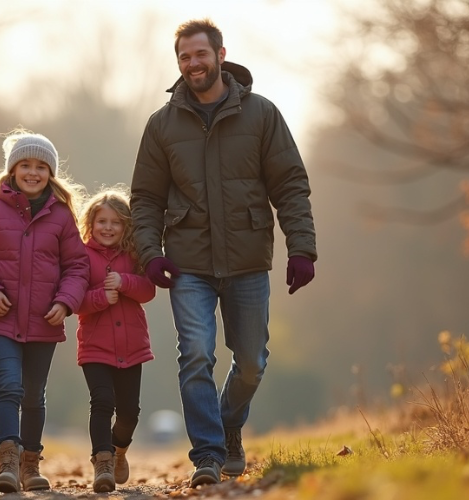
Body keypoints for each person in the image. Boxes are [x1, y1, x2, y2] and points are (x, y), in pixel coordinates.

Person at [130, 19, 317, 488]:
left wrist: (303, 249)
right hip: (187, 261)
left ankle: (228, 422)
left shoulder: (261, 114)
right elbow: (146, 199)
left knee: (252, 360)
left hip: (248, 258)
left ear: (220, 54)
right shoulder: (162, 124)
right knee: (195, 354)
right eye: (184, 58)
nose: (193, 64)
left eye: (200, 54)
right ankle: (208, 455)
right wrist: (150, 254)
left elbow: (290, 184)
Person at [0, 129, 90, 493]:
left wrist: (65, 302)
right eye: (25, 165)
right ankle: (8, 462)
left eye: (41, 166)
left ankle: (31, 464)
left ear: (51, 173)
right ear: (12, 170)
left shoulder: (62, 217)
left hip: (44, 320)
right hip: (1, 319)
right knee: (9, 388)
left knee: (34, 393)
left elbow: (78, 266)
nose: (33, 172)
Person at [75, 187, 156, 493]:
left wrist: (125, 283)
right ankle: (103, 462)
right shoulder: (81, 255)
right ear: (91, 224)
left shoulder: (134, 255)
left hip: (132, 346)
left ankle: (119, 449)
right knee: (102, 401)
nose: (108, 228)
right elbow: (74, 300)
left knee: (129, 412)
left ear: (126, 226)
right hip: (95, 345)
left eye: (116, 222)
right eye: (102, 221)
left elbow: (149, 290)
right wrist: (99, 298)